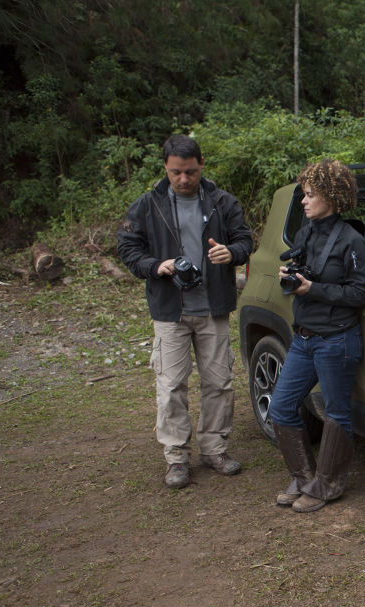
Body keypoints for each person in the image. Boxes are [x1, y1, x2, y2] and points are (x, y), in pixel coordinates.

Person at [118, 134, 253, 489]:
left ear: (201, 166)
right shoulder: (148, 205)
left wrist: (232, 253)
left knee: (219, 383)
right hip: (170, 310)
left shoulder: (223, 202)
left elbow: (244, 239)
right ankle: (176, 457)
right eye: (176, 172)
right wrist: (154, 265)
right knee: (171, 385)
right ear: (165, 167)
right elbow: (128, 247)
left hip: (214, 308)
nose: (183, 179)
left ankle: (213, 449)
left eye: (190, 172)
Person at [268, 159, 365, 513]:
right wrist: (292, 274)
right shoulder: (306, 232)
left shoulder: (352, 241)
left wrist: (313, 288)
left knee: (336, 413)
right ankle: (304, 477)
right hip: (303, 337)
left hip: (337, 339)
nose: (304, 201)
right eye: (304, 195)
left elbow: (360, 295)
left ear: (332, 196)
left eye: (310, 195)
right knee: (281, 407)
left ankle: (328, 484)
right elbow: (302, 272)